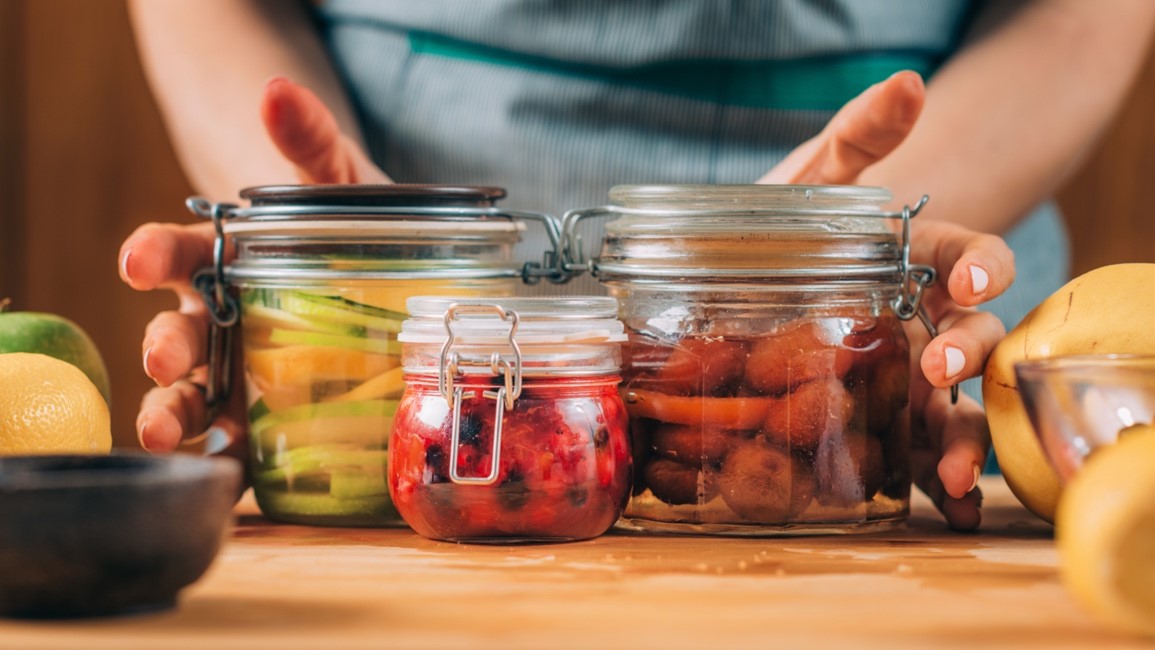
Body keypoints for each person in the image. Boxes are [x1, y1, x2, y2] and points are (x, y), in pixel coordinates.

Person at [119, 0, 1155, 531]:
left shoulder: (853, 319)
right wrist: (344, 251)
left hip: (908, 212)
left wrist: (843, 238)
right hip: (409, 225)